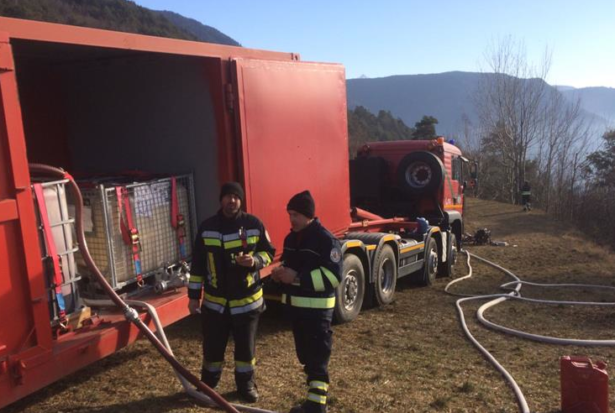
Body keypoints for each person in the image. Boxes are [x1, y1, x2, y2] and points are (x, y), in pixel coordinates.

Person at [188, 182, 275, 403]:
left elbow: (269, 253)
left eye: (236, 197)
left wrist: (255, 261)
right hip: (215, 304)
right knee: (212, 349)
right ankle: (208, 385)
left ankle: (245, 386)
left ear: (241, 200)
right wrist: (193, 297)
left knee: (246, 351)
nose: (232, 201)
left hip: (247, 302)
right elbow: (197, 265)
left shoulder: (254, 224)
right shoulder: (207, 227)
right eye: (227, 196)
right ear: (221, 200)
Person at [271, 190, 342, 413]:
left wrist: (299, 277)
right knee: (306, 356)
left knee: (317, 358)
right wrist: (279, 273)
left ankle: (317, 406)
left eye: (297, 215)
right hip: (297, 309)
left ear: (309, 215)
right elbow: (289, 265)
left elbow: (333, 277)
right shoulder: (291, 238)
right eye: (290, 214)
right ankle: (313, 400)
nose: (292, 219)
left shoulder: (325, 239)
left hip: (317, 312)